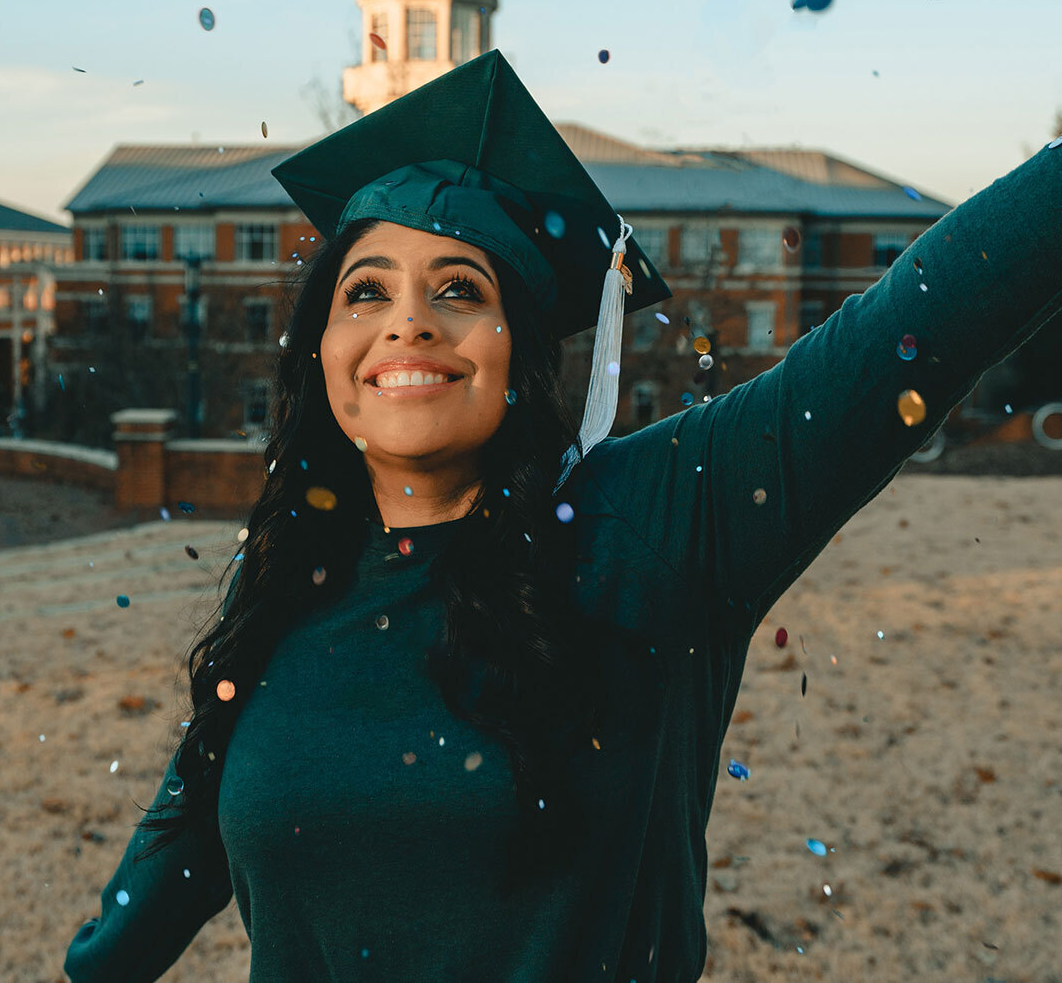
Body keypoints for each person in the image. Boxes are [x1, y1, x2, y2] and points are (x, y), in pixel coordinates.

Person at [63, 50, 1062, 983]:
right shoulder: (286, 570)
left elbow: (920, 324)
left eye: (460, 288)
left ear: (521, 349)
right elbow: (189, 819)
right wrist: (99, 957)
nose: (408, 321)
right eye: (365, 292)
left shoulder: (661, 523)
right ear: (323, 350)